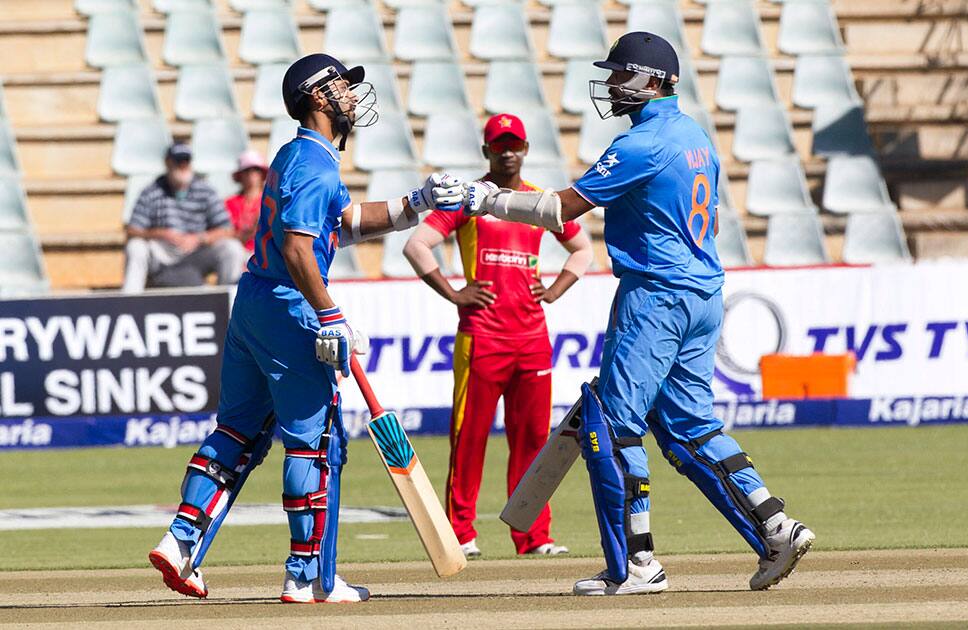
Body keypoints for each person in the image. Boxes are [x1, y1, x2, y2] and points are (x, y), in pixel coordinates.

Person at [457, 32, 815, 595]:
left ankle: (637, 565)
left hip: (656, 297)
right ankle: (775, 525)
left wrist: (486, 199)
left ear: (657, 82)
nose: (613, 86)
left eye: (623, 75)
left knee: (613, 424)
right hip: (702, 292)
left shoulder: (644, 142)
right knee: (689, 426)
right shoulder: (697, 137)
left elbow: (560, 208)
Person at [148, 53, 465, 604]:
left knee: (238, 431)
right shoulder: (315, 165)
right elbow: (299, 249)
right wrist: (329, 313)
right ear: (317, 98)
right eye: (342, 87)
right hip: (288, 305)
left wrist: (417, 204)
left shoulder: (297, 156)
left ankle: (181, 542)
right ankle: (308, 577)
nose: (350, 96)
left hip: (253, 302)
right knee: (314, 444)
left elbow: (344, 223)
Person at [403, 113, 593, 559]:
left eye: (515, 144)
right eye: (499, 144)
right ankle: (460, 533)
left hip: (531, 339)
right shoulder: (467, 199)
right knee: (468, 439)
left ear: (525, 149)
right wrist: (453, 292)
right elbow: (415, 245)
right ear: (486, 151)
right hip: (481, 338)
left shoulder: (540, 201)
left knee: (532, 441)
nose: (508, 151)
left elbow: (583, 249)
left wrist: (554, 291)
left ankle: (534, 536)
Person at [123, 142, 246, 293]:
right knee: (135, 247)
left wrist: (199, 238)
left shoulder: (205, 190)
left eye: (186, 161)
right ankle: (130, 300)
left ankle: (229, 301)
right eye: (177, 161)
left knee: (232, 248)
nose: (182, 165)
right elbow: (132, 230)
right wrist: (162, 233)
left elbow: (227, 229)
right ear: (167, 163)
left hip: (196, 251)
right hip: (163, 252)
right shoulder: (151, 191)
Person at [225, 150, 268, 253]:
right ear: (240, 175)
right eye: (247, 170)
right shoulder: (230, 203)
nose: (251, 174)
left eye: (256, 169)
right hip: (237, 254)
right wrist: (251, 230)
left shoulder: (269, 201)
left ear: (262, 174)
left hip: (265, 255)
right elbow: (225, 234)